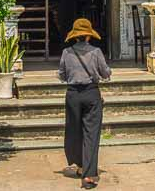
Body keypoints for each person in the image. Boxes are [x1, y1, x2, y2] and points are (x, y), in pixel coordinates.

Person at [58, 18, 111, 189]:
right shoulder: (96, 52)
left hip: (73, 94)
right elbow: (105, 73)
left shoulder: (67, 53)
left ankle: (79, 164)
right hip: (91, 93)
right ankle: (88, 175)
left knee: (74, 130)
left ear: (74, 36)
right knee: (91, 134)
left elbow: (62, 74)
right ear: (88, 36)